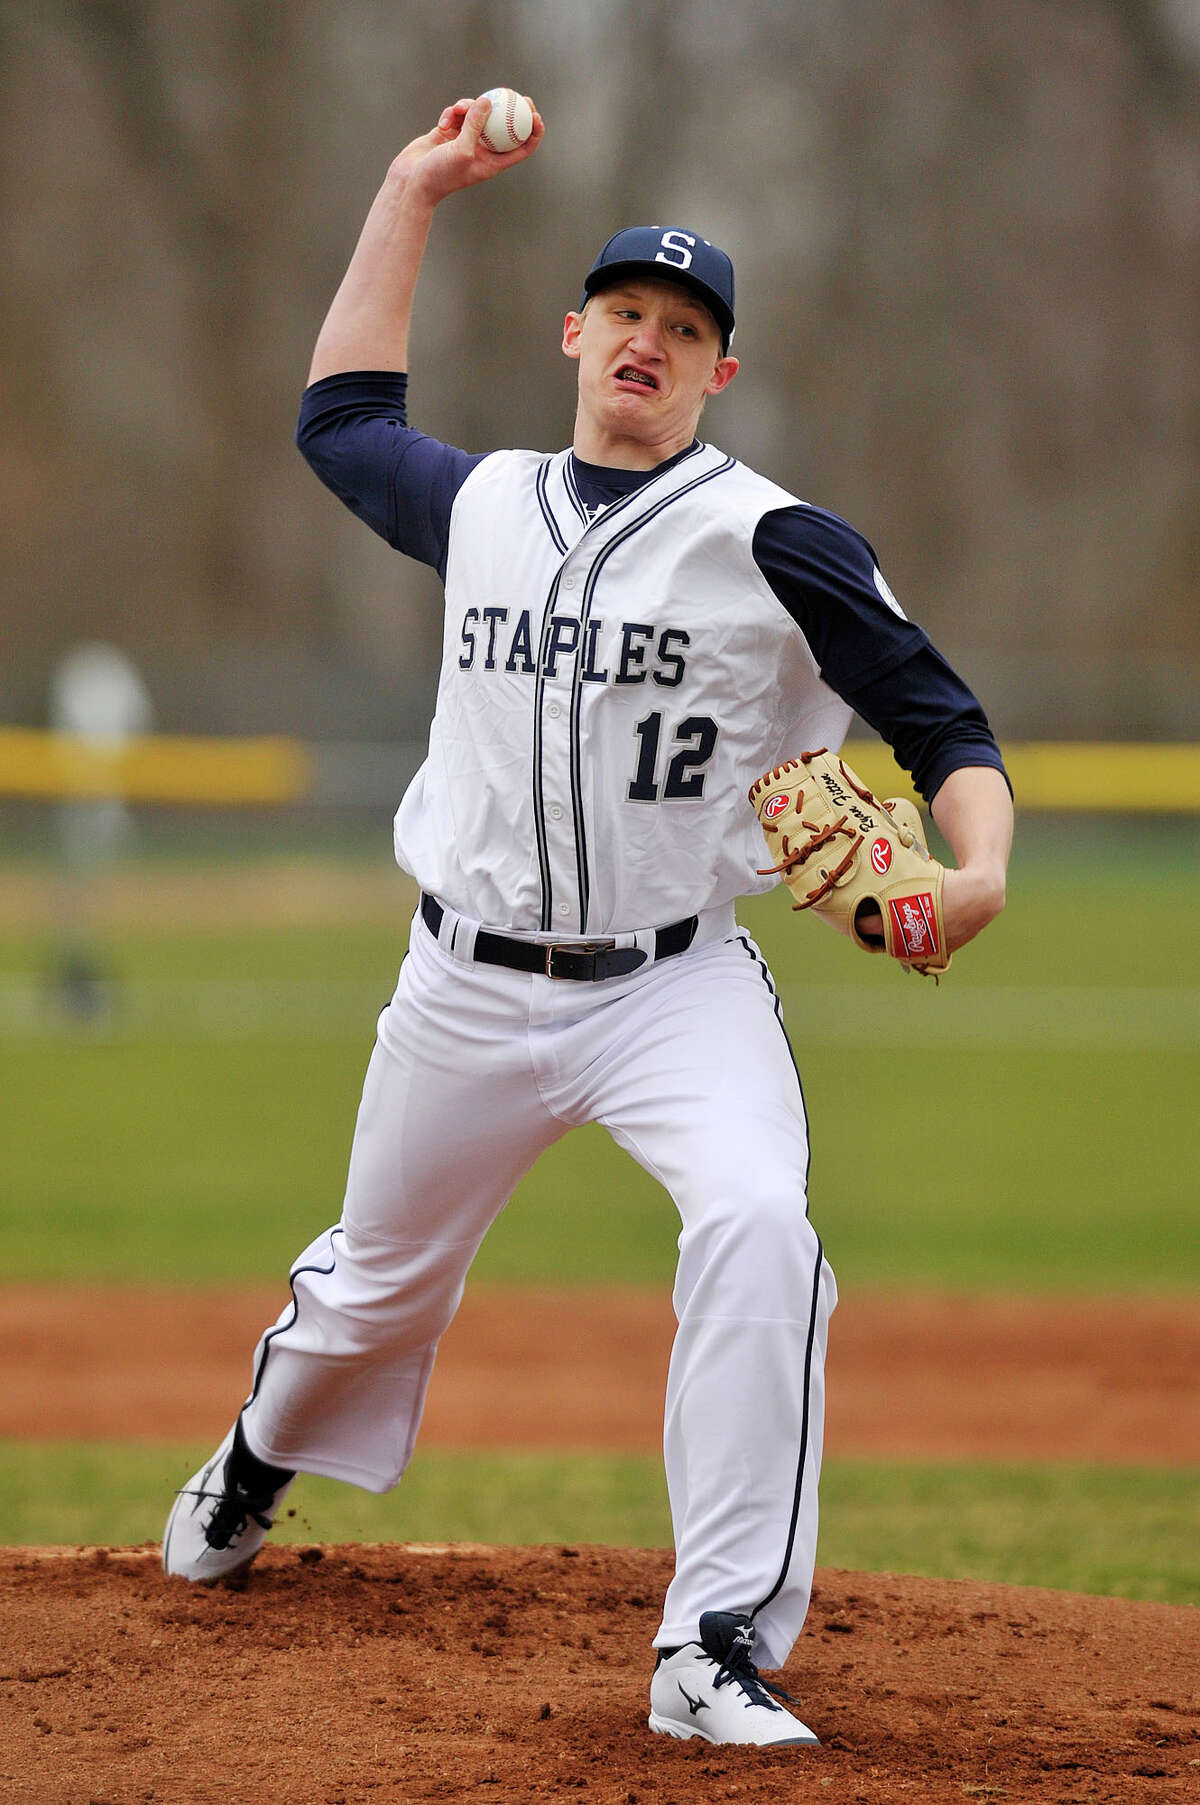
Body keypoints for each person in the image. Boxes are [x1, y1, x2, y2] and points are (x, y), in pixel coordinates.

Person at [163, 95, 1013, 1748]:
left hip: (670, 987)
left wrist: (975, 868)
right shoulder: (481, 504)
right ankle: (259, 1460)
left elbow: (941, 718)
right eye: (625, 311)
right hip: (462, 987)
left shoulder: (775, 539)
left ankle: (712, 1646)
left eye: (684, 328)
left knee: (763, 1221)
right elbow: (339, 418)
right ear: (574, 334)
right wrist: (413, 185)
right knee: (371, 1298)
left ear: (720, 374)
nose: (649, 338)